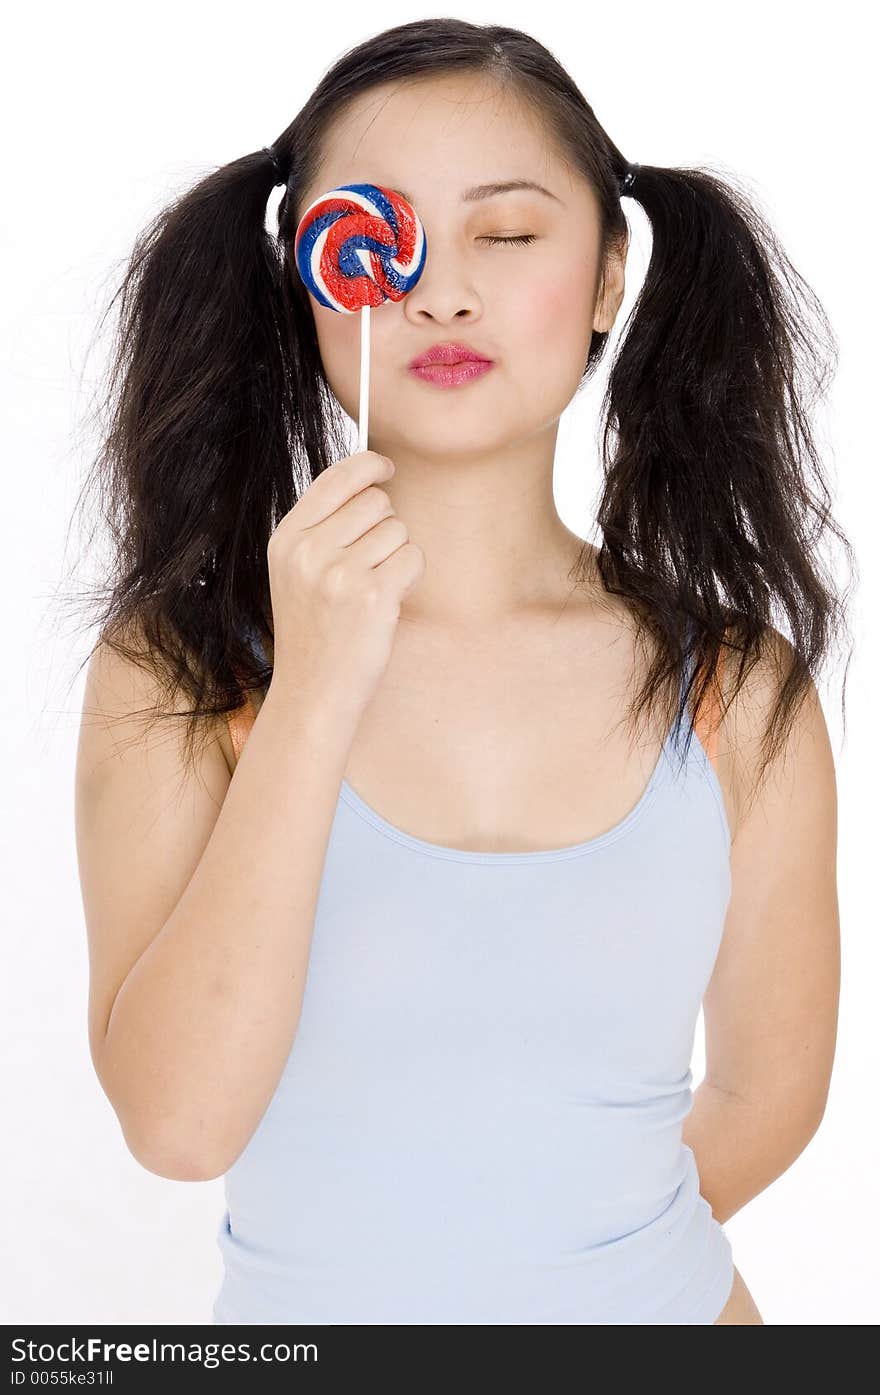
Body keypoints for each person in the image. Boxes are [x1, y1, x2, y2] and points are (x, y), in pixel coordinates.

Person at [73, 18, 848, 1325]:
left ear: (609, 276)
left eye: (507, 235)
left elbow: (771, 1099)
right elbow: (181, 1126)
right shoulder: (177, 671)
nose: (441, 294)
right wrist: (314, 691)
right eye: (386, 238)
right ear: (305, 278)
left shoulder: (734, 689)